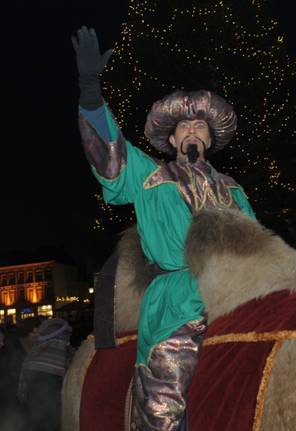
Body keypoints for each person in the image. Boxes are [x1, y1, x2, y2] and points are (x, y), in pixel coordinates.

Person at [72, 26, 256, 430]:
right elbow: (110, 154)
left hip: (233, 302)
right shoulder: (150, 179)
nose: (192, 130)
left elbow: (257, 250)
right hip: (176, 309)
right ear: (171, 139)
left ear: (211, 138)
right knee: (164, 412)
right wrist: (90, 90)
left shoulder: (235, 191)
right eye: (184, 127)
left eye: (200, 126)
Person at [18, 318, 74, 431]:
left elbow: (22, 390)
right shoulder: (64, 358)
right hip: (52, 418)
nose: (67, 341)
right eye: (65, 337)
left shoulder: (34, 355)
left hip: (32, 417)